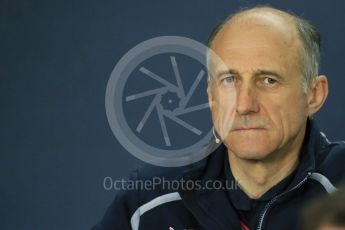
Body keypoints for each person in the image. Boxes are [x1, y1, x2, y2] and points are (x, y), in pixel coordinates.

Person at [93, 6, 345, 230]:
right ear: (210, 95)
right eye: (229, 80)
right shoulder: (150, 198)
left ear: (314, 95)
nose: (244, 105)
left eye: (269, 80)